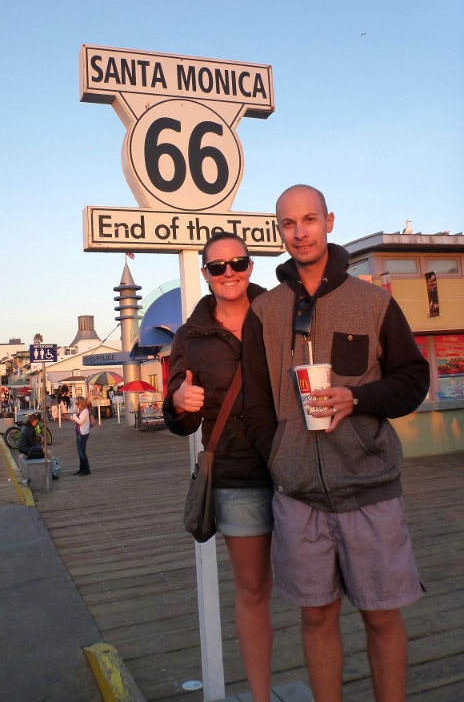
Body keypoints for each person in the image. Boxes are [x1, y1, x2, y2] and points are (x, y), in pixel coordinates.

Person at [242, 185, 430, 702]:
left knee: (381, 617)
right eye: (287, 223)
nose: (299, 232)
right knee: (317, 616)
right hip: (298, 495)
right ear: (277, 230)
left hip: (369, 489)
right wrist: (279, 455)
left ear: (328, 220)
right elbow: (256, 402)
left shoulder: (372, 301)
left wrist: (359, 398)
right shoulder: (267, 312)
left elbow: (413, 378)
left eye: (309, 219)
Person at [162, 231, 274, 702]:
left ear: (251, 265)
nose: (230, 272)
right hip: (237, 477)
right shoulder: (190, 336)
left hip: (300, 469)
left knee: (318, 593)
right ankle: (262, 696)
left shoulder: (280, 315)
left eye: (239, 262)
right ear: (206, 274)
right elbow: (180, 420)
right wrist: (179, 402)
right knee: (253, 590)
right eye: (218, 266)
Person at [66, 397, 91, 476]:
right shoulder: (80, 411)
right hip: (79, 432)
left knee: (82, 452)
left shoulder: (85, 411)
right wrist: (70, 417)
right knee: (80, 451)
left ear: (82, 404)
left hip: (83, 433)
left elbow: (80, 421)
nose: (76, 405)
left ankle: (86, 469)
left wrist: (74, 416)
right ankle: (82, 468)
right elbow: (77, 419)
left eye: (78, 404)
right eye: (76, 403)